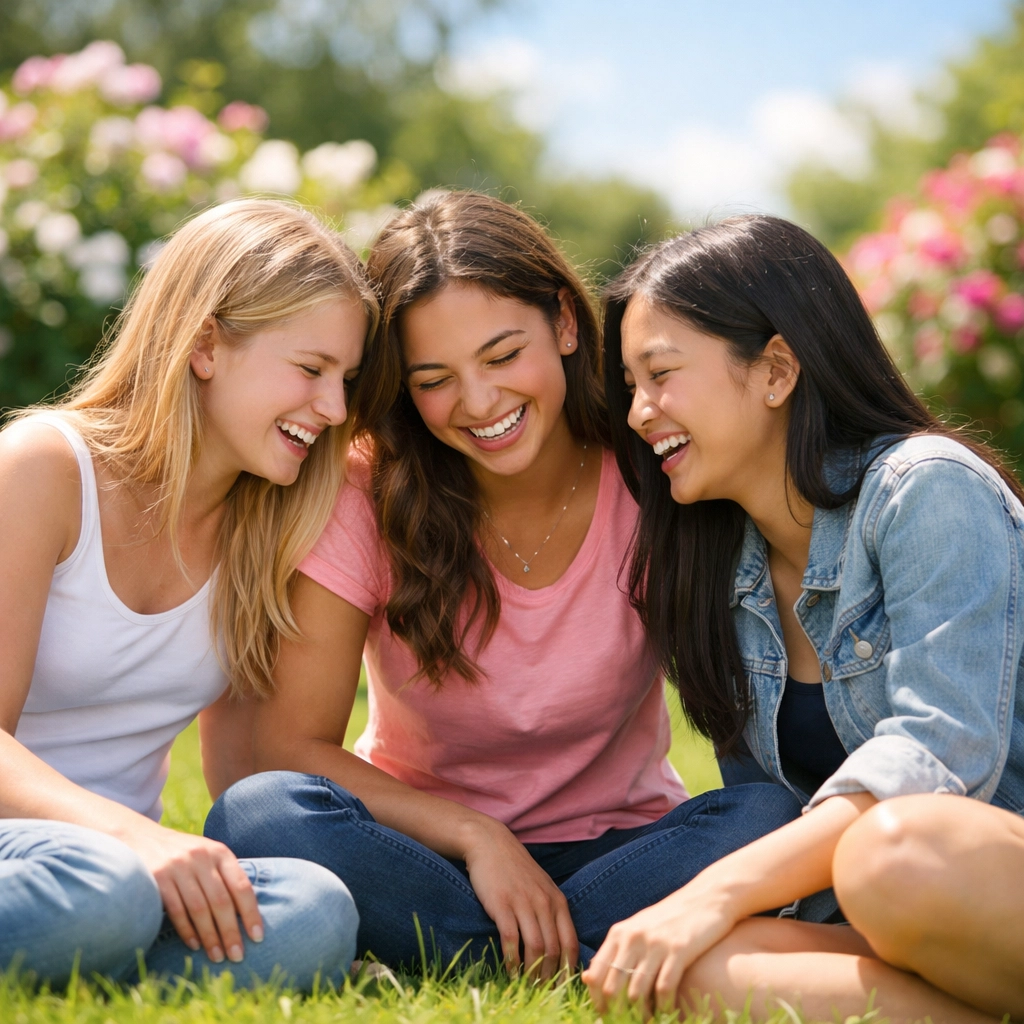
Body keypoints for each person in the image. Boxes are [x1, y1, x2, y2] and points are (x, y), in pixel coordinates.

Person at [204, 191, 802, 977]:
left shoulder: (651, 473)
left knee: (767, 816)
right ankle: (580, 955)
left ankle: (467, 955)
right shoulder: (367, 493)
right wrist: (476, 836)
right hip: (427, 852)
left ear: (562, 322)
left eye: (500, 355)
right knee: (260, 812)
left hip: (622, 855)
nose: (479, 403)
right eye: (434, 378)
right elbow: (293, 745)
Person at [583, 214, 1024, 1023]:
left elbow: (941, 755)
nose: (640, 412)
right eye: (631, 386)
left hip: (967, 874)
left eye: (661, 374)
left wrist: (714, 890)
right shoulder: (717, 568)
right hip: (887, 922)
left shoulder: (925, 489)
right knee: (693, 969)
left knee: (893, 853)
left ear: (777, 369)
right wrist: (706, 913)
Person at [0, 199, 377, 989]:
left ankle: (80, 966)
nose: (335, 409)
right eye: (311, 370)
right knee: (102, 892)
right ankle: (98, 940)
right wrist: (132, 840)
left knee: (315, 909)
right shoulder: (44, 468)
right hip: (61, 856)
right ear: (205, 343)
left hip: (121, 868)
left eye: (346, 379)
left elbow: (244, 780)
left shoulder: (265, 525)